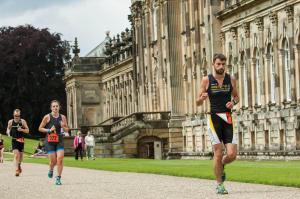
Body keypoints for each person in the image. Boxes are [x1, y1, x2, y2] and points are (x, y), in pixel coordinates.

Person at [196, 53, 239, 195]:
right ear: (213, 65)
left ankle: (222, 165)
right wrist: (201, 99)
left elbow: (237, 97)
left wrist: (232, 103)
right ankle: (220, 185)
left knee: (232, 154)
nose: (221, 66)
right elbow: (197, 102)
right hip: (213, 119)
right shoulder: (206, 80)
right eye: (218, 64)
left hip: (228, 118)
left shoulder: (231, 79)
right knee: (218, 152)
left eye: (223, 64)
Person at [38, 100, 69, 185]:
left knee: (60, 159)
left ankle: (58, 178)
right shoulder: (47, 117)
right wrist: (49, 130)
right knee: (53, 161)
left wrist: (63, 126)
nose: (55, 108)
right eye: (54, 106)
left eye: (57, 106)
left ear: (59, 107)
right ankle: (51, 169)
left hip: (59, 139)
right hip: (50, 140)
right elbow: (40, 128)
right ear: (51, 108)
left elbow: (67, 129)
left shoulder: (63, 117)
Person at [6, 109, 30, 176]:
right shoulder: (10, 122)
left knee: (21, 156)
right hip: (14, 140)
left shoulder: (22, 121)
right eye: (15, 115)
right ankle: (16, 170)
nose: (16, 117)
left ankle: (19, 165)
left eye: (18, 115)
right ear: (13, 115)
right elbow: (8, 128)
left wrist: (22, 129)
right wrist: (8, 133)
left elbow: (28, 130)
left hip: (21, 140)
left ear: (20, 115)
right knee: (16, 155)